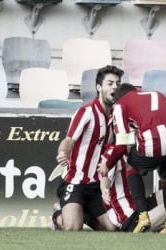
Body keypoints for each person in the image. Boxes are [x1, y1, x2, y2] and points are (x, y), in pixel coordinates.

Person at [106, 83, 166, 234]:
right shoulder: (156, 93)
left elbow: (122, 144)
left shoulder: (120, 104)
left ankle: (142, 215)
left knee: (131, 166)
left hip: (154, 140)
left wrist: (107, 165)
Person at [52, 65, 124, 231]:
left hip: (96, 185)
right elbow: (69, 139)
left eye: (118, 84)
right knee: (72, 229)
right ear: (99, 87)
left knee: (113, 228)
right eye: (110, 83)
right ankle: (58, 214)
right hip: (74, 181)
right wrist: (63, 153)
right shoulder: (86, 112)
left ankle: (82, 212)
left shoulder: (117, 116)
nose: (115, 87)